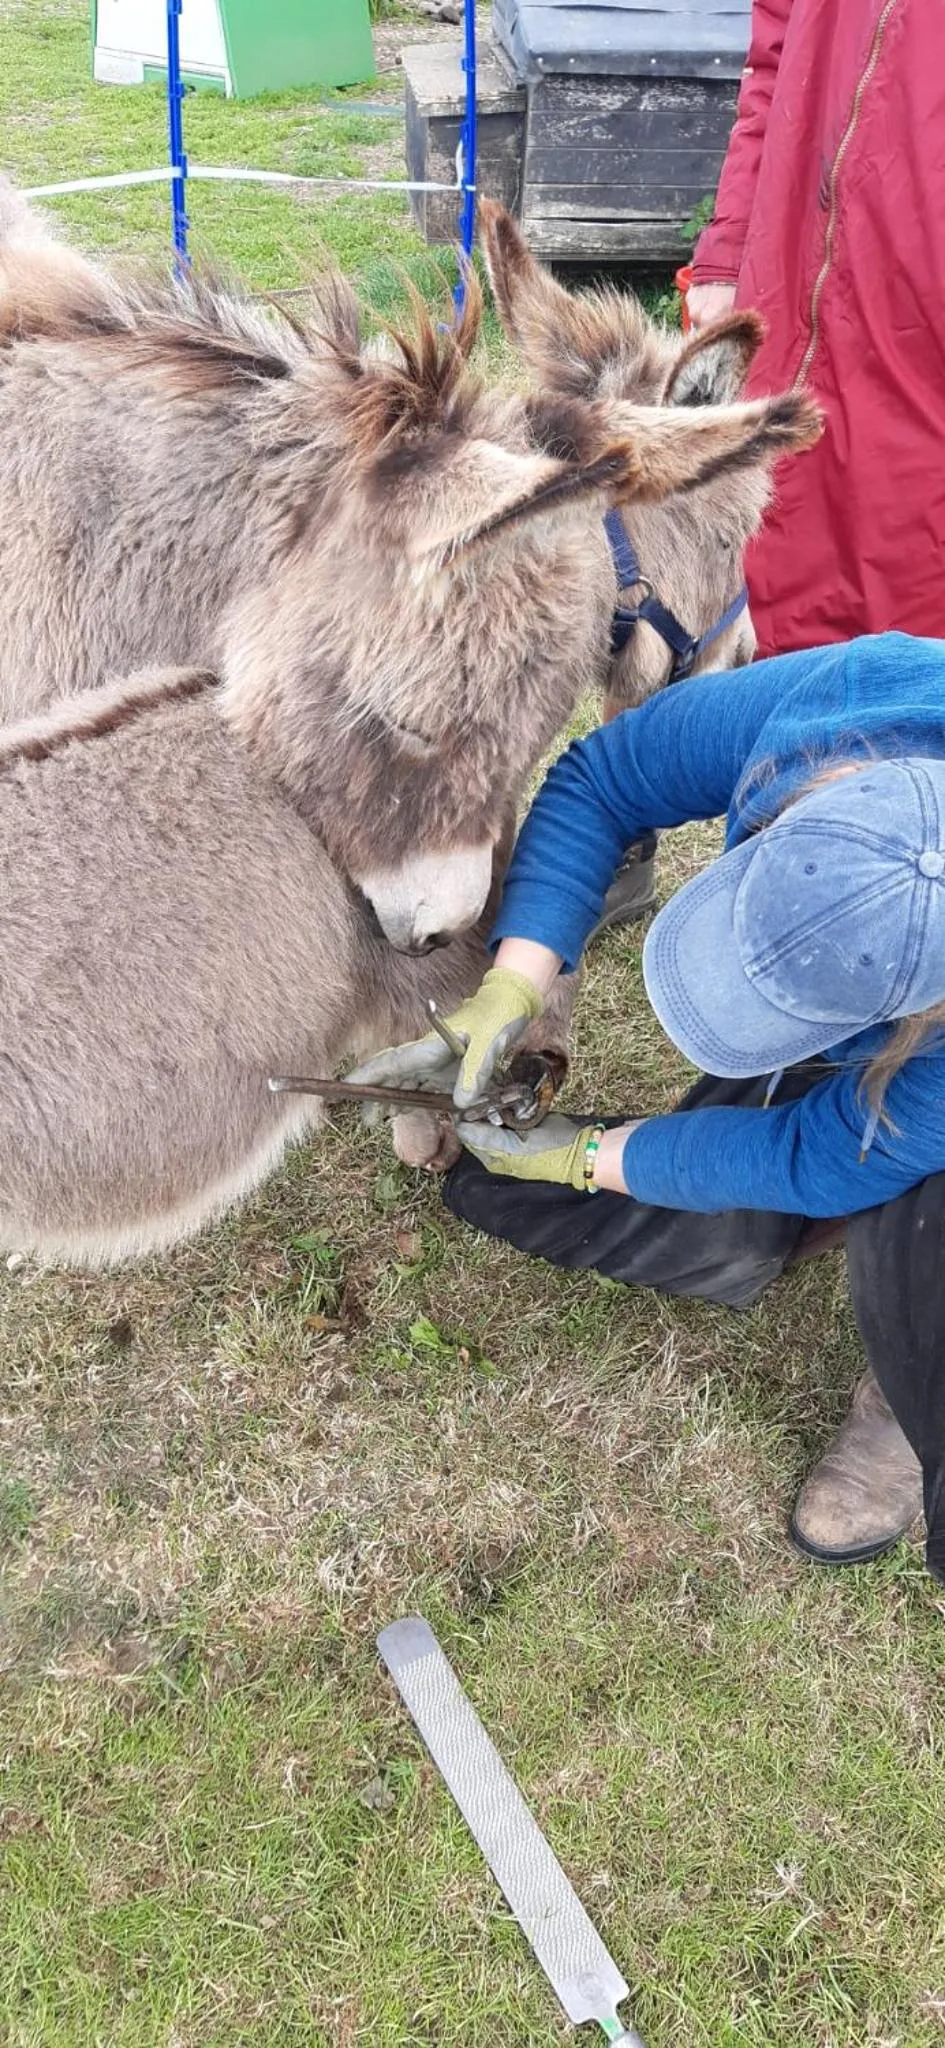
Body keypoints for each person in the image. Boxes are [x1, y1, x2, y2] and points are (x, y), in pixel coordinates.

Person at [351, 632, 945, 1580]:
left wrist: (585, 1157)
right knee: (697, 1220)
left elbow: (826, 1152)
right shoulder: (862, 701)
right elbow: (602, 779)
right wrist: (515, 982)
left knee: (920, 1219)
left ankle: (908, 1411)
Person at [685, 0, 945, 658]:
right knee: (768, 582)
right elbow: (771, 62)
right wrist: (725, 250)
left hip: (917, 327)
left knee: (902, 632)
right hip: (788, 279)